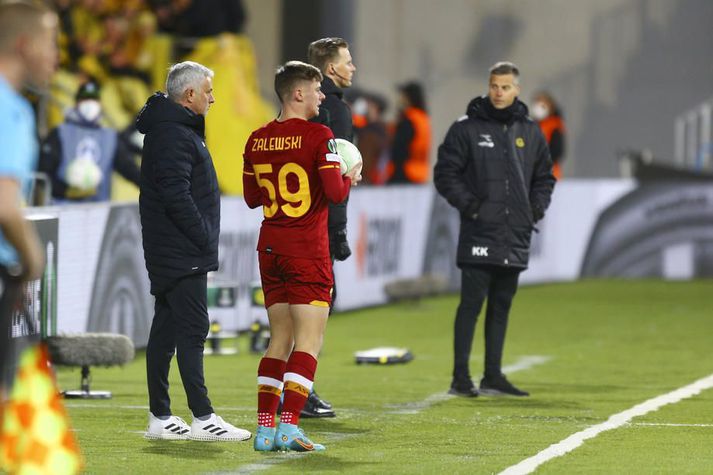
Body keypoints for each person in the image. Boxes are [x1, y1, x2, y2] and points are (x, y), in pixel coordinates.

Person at [243, 60, 359, 452]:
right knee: (308, 343)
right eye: (316, 88)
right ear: (297, 93)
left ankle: (263, 430)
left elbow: (251, 198)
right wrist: (349, 175)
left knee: (278, 341)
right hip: (306, 250)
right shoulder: (318, 135)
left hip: (270, 247)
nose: (321, 95)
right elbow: (336, 192)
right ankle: (289, 426)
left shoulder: (256, 139)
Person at [136, 61, 250, 442]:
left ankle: (160, 416)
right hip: (181, 249)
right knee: (192, 329)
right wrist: (202, 236)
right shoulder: (173, 133)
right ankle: (203, 417)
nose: (213, 98)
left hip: (174, 247)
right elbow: (175, 192)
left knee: (167, 329)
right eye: (208, 91)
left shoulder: (172, 129)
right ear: (189, 95)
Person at [434, 61, 555, 398]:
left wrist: (534, 209)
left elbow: (545, 177)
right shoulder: (466, 128)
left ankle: (493, 376)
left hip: (515, 232)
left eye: (505, 87)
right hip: (479, 231)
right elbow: (445, 174)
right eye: (493, 86)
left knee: (501, 305)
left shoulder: (530, 132)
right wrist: (472, 206)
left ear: (517, 90)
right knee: (471, 305)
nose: (498, 93)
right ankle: (460, 378)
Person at [0, 1, 56, 399]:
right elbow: (4, 204)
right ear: (24, 45)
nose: (56, 56)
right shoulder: (13, 112)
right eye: (51, 42)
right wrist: (32, 256)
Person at [303, 36, 357, 417]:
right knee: (316, 309)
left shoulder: (298, 108)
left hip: (294, 221)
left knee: (296, 310)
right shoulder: (335, 110)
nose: (353, 68)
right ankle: (300, 392)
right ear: (331, 69)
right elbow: (335, 175)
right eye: (348, 62)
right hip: (319, 225)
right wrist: (337, 231)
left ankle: (294, 390)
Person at [38, 80, 141, 203]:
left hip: (98, 214)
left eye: (94, 99)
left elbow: (129, 169)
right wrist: (66, 190)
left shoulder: (110, 137)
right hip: (63, 211)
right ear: (76, 103)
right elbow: (43, 173)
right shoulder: (60, 133)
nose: (90, 104)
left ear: (101, 104)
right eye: (85, 99)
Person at [388, 81, 431, 184]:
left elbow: (400, 148)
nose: (400, 99)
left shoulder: (409, 120)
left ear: (409, 98)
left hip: (405, 173)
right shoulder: (422, 118)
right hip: (420, 173)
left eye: (403, 96)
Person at [531, 91, 566, 180]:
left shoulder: (555, 125)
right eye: (537, 102)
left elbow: (557, 151)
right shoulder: (531, 124)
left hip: (550, 173)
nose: (539, 107)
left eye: (543, 105)